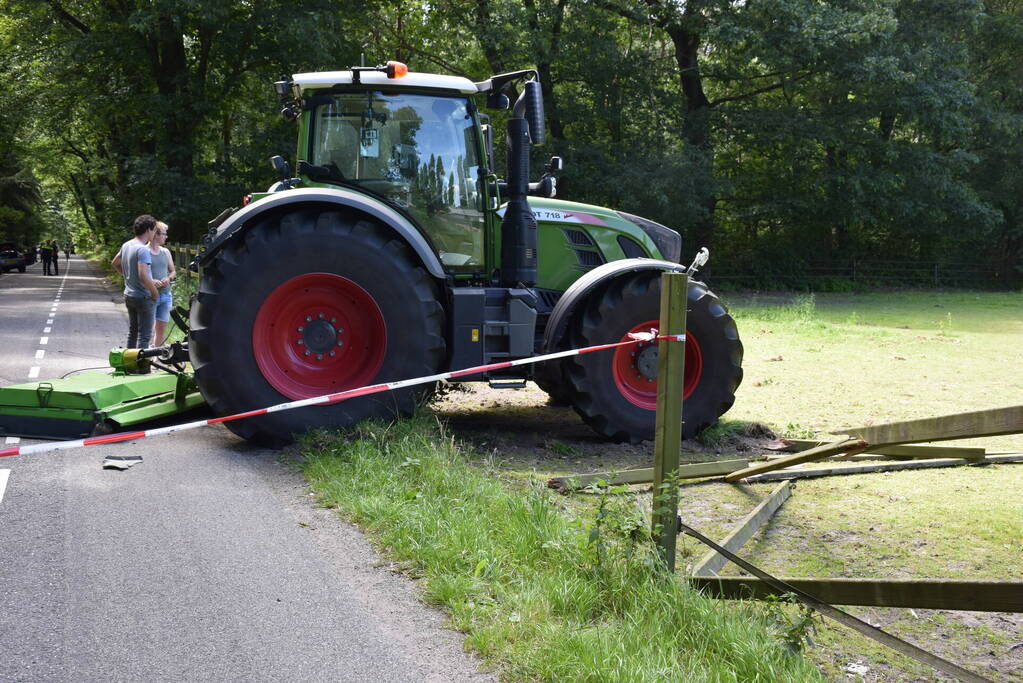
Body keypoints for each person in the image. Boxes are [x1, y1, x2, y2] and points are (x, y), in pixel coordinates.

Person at [111, 215, 159, 354]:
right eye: (154, 230)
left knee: (133, 332)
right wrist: (154, 293)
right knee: (144, 336)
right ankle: (141, 369)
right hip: (143, 297)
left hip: (129, 295)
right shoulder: (143, 249)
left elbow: (115, 263)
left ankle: (129, 364)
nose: (155, 233)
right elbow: (143, 275)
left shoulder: (127, 245)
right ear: (149, 230)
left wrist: (127, 277)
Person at [147, 222, 176, 346]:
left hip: (165, 296)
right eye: (164, 234)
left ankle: (157, 359)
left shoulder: (165, 252)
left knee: (160, 330)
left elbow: (173, 271)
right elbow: (138, 274)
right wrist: (151, 281)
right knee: (147, 330)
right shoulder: (143, 251)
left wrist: (168, 279)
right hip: (149, 296)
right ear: (155, 235)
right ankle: (144, 358)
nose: (166, 237)